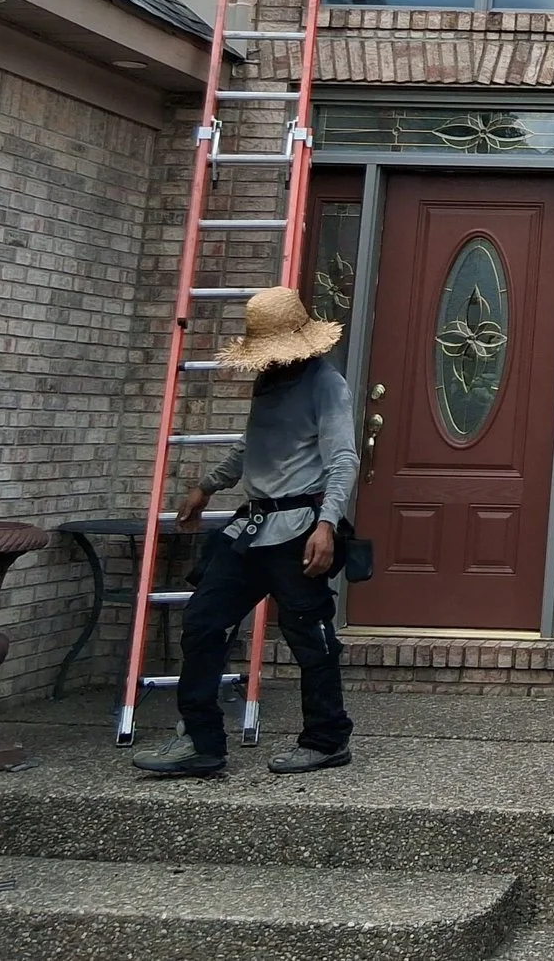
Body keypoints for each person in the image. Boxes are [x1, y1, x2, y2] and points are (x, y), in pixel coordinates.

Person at [132, 286, 359, 778]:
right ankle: (200, 741)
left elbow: (343, 458)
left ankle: (326, 739)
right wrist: (208, 486)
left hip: (300, 527)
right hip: (251, 527)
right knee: (204, 621)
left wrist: (327, 523)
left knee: (311, 637)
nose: (270, 362)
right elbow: (250, 444)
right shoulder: (268, 382)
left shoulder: (326, 384)